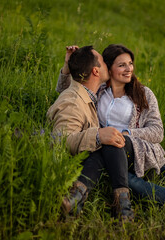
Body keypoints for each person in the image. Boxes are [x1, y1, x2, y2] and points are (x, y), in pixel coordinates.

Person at [56, 44, 165, 210]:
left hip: (139, 151)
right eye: (122, 65)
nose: (128, 69)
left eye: (130, 64)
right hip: (109, 151)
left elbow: (157, 132)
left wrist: (126, 133)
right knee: (132, 182)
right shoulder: (100, 91)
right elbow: (73, 92)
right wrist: (67, 67)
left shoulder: (143, 94)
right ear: (108, 69)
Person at [47, 46, 135, 221]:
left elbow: (66, 86)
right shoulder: (72, 102)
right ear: (96, 71)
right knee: (136, 180)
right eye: (103, 62)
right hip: (86, 162)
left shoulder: (91, 92)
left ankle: (77, 198)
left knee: (113, 145)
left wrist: (70, 65)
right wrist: (98, 135)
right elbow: (59, 141)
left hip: (102, 158)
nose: (108, 66)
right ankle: (123, 208)